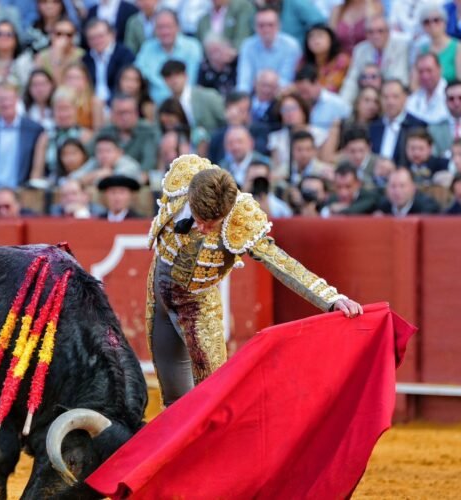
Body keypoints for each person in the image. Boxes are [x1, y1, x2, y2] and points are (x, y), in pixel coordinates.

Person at [147, 155, 363, 407]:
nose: (204, 229)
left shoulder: (242, 217)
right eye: (200, 220)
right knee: (172, 396)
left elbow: (281, 262)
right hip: (157, 290)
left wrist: (330, 298)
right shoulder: (184, 174)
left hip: (196, 307)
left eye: (211, 224)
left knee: (212, 398)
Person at [376, 166, 441, 216]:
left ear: (413, 188)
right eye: (393, 186)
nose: (397, 191)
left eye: (402, 186)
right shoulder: (382, 207)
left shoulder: (427, 208)